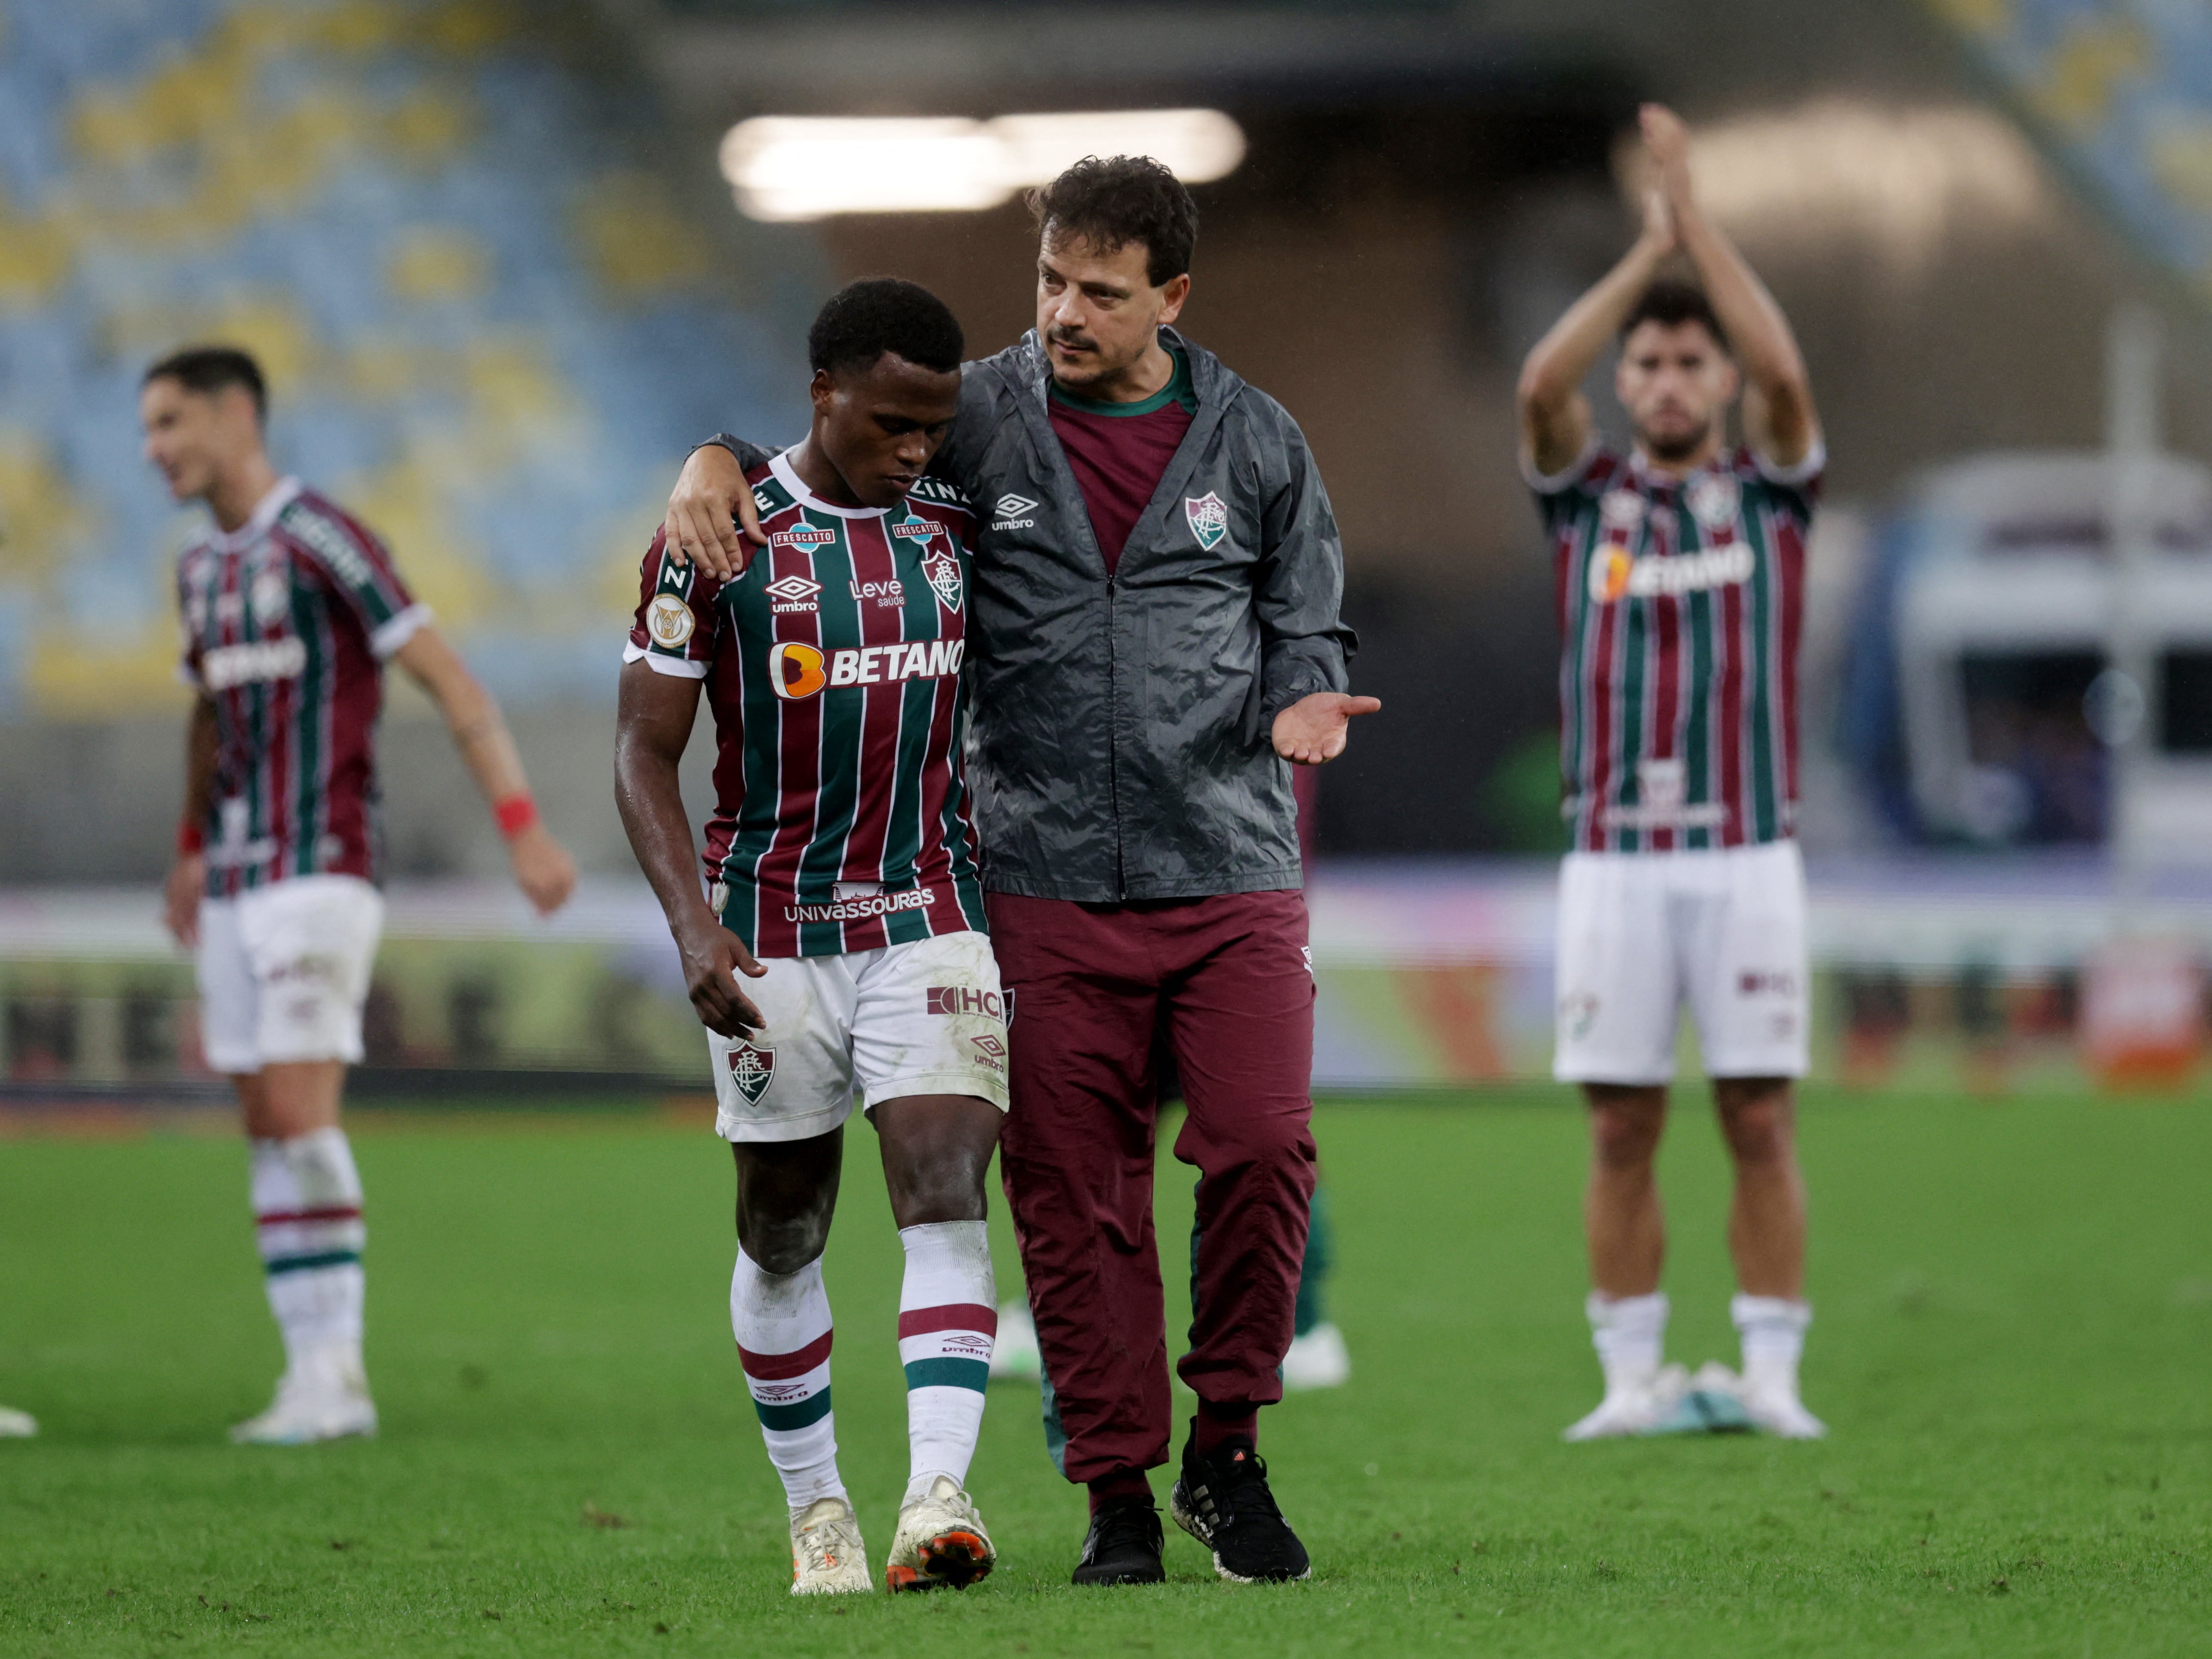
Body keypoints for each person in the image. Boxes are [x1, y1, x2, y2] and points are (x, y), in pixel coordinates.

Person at [662, 158, 1375, 1584]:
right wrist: (712, 457)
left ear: (1171, 298)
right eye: (1050, 279)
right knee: (1069, 1191)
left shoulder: (1257, 441)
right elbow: (832, 443)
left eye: (1100, 293)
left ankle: (1226, 1451)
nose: (1063, 313)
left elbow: (1308, 619)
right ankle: (1117, 1495)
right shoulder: (979, 412)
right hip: (1037, 875)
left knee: (1260, 1146)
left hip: (1229, 868)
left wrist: (1305, 691)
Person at [614, 280, 1008, 1597]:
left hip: (929, 910)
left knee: (945, 1181)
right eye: (893, 422)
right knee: (784, 1226)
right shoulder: (713, 539)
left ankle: (937, 1496)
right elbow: (642, 752)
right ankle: (817, 1508)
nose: (916, 447)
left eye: (932, 425)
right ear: (822, 394)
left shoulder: (956, 518)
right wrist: (691, 924)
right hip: (769, 929)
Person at [148, 346, 577, 1445]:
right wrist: (190, 845)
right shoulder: (198, 568)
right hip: (235, 874)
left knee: (300, 1111)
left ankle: (338, 1376)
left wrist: (523, 828)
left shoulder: (321, 537)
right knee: (262, 1120)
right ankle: (308, 1372)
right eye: (149, 429)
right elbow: (208, 712)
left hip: (321, 863)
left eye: (170, 423)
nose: (155, 449)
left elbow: (448, 676)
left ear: (236, 416)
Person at [1514, 105, 1826, 1440]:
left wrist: (1695, 227)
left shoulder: (1771, 493)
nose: (1667, 381)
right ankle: (1628, 1379)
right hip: (1614, 861)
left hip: (1748, 850)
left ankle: (1771, 1377)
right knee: (1618, 1125)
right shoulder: (1584, 498)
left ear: (1722, 379)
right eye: (1646, 363)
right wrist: (1644, 260)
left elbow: (1786, 371)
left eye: (1691, 361)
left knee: (1756, 1117)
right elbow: (1540, 384)